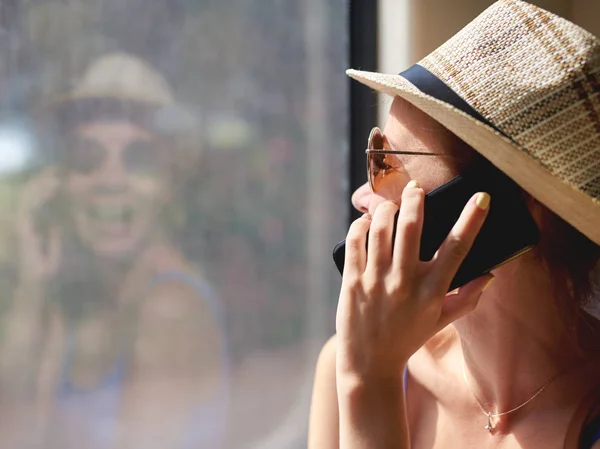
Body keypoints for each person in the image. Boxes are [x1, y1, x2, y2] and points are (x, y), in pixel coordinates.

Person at [309, 1, 600, 448]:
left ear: (508, 206)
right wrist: (365, 376)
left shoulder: (366, 368)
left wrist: (371, 385)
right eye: (374, 152)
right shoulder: (348, 365)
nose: (361, 197)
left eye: (388, 163)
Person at [0, 52, 231, 449]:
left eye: (138, 159)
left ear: (168, 183)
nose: (111, 179)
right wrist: (32, 290)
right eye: (86, 157)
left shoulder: (170, 306)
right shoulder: (72, 307)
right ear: (60, 182)